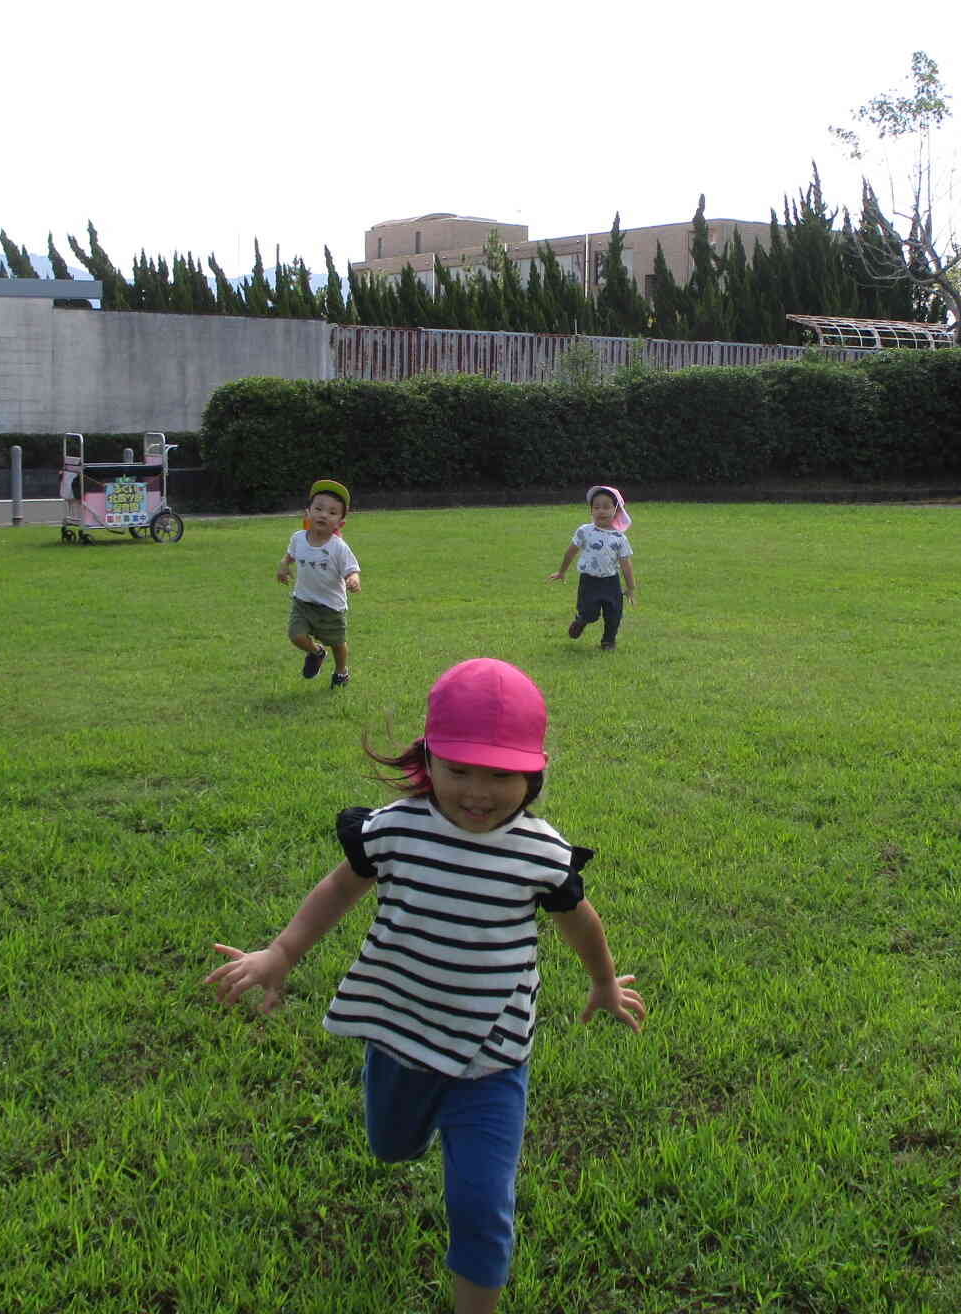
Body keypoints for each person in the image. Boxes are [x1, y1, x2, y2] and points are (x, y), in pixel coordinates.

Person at [204, 658, 646, 1314]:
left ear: (533, 772)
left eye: (501, 774)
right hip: (400, 1032)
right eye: (459, 769)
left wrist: (604, 984)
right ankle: (419, 1125)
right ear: (427, 760)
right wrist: (282, 951)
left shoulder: (542, 854)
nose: (478, 790)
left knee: (479, 1203)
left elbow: (578, 921)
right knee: (391, 1145)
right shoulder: (398, 830)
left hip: (492, 1054)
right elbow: (341, 887)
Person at [276, 479, 360, 688]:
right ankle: (316, 652)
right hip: (303, 602)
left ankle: (341, 671)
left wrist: (353, 579)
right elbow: (290, 555)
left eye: (332, 512)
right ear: (308, 512)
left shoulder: (338, 547)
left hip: (331, 607)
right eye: (319, 508)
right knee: (295, 635)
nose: (324, 514)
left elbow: (352, 569)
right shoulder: (298, 538)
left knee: (338, 644)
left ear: (340, 522)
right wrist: (284, 565)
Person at [546, 484, 635, 650]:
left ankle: (608, 641)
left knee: (614, 614)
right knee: (589, 612)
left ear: (616, 511)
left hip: (611, 583)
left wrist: (630, 587)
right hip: (589, 581)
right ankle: (581, 620)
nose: (601, 511)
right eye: (596, 507)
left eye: (606, 507)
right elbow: (570, 552)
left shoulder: (619, 538)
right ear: (591, 511)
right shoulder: (584, 531)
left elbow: (626, 565)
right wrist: (561, 571)